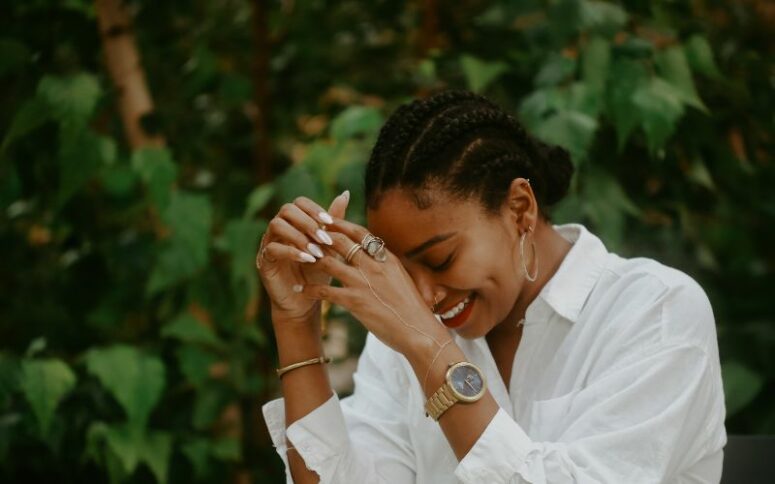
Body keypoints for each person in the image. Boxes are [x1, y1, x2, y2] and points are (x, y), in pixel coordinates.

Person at [257, 90, 727, 483]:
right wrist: (296, 322)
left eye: (441, 260)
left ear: (520, 208)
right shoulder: (407, 333)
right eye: (401, 273)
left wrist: (430, 349)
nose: (423, 297)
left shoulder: (655, 311)